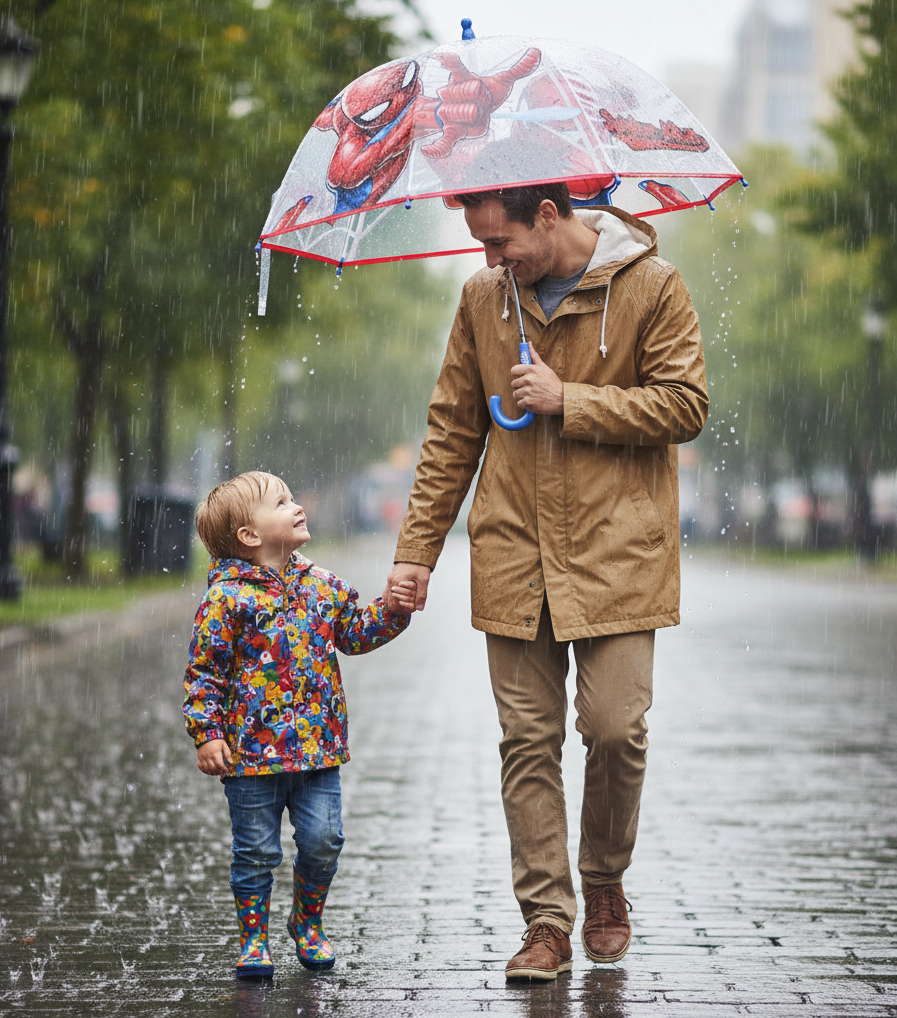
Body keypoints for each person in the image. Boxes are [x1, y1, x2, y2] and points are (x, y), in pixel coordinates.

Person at [383, 183, 708, 979]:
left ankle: (604, 881)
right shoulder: (484, 300)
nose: (491, 259)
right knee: (527, 742)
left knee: (614, 728)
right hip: (513, 550)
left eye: (501, 242)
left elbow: (686, 404)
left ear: (550, 217)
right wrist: (415, 552)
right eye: (481, 245)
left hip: (618, 551)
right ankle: (547, 925)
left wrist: (573, 400)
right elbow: (453, 429)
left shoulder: (651, 286)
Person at [183, 471, 416, 978]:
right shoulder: (226, 600)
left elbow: (356, 632)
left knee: (324, 839)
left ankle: (306, 921)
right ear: (249, 536)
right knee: (256, 851)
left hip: (318, 752)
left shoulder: (320, 584)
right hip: (251, 760)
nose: (296, 505)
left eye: (292, 497)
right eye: (281, 502)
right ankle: (253, 940)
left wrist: (393, 609)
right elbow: (204, 673)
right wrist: (209, 734)